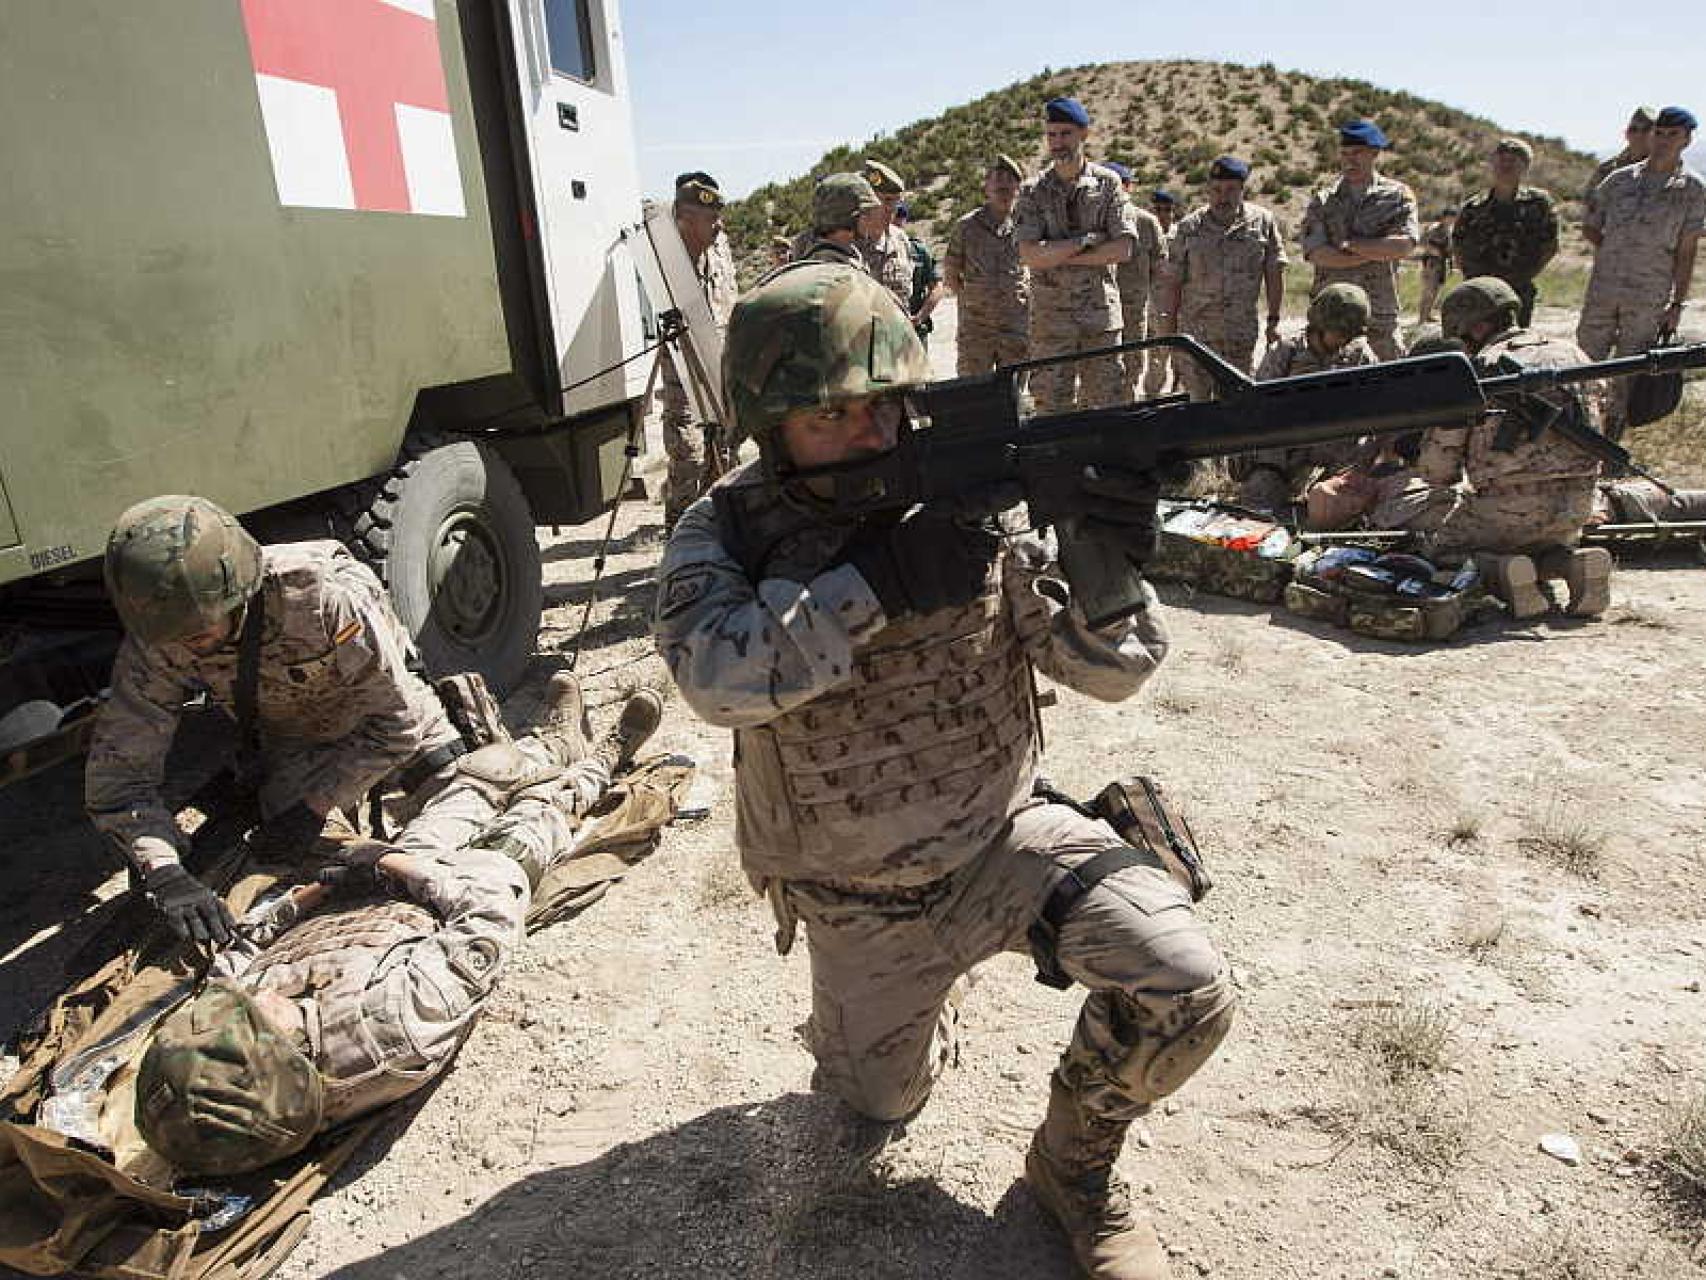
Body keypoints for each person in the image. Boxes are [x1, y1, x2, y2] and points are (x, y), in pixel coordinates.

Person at [652, 261, 1234, 1280]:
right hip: (854, 894)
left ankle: (1071, 1172)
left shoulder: (969, 501)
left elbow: (1108, 674)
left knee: (1187, 984)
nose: (866, 432)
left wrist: (1104, 556)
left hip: (1002, 843)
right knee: (875, 1109)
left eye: (883, 406)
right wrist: (871, 580)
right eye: (830, 416)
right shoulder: (727, 527)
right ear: (769, 421)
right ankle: (914, 1010)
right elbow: (715, 678)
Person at [130, 675, 664, 1176]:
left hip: (371, 892)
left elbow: (238, 954)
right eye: (254, 1015)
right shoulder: (389, 1028)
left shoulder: (235, 1042)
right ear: (284, 1060)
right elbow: (488, 916)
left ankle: (554, 743)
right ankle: (603, 758)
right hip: (454, 895)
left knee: (475, 782)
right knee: (539, 809)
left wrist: (319, 890)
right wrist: (388, 864)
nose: (255, 998)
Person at [87, 496, 465, 947]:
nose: (185, 647)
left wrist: (317, 805)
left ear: (237, 593)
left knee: (470, 796)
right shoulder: (159, 636)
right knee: (302, 869)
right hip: (297, 742)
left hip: (385, 723)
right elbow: (119, 782)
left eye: (200, 632)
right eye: (174, 637)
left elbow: (396, 724)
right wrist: (165, 873)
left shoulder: (322, 596)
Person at [1436, 278, 1611, 618]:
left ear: (1480, 326)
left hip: (1504, 512)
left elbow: (1438, 470)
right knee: (1544, 542)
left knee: (1440, 550)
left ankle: (1501, 574)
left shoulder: (1479, 368)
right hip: (1576, 506)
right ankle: (1572, 564)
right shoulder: (1573, 352)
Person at [1577, 106, 1704, 440]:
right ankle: (1576, 436)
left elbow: (1687, 251)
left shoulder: (1692, 190)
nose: (1662, 141)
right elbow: (1591, 226)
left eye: (1672, 135)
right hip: (1604, 290)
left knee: (1627, 374)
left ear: (1687, 140)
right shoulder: (1619, 181)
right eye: (1658, 133)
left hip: (1649, 295)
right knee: (1583, 366)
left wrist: (1677, 304)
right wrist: (1616, 251)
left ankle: (1609, 446)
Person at [1014, 98, 1138, 413]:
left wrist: (1059, 255)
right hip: (1050, 321)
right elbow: (1030, 255)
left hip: (1099, 318)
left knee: (1106, 405)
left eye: (1065, 134)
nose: (1058, 143)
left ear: (1084, 134)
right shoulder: (1032, 191)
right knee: (1051, 408)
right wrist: (1083, 243)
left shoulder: (1108, 184)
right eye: (1051, 135)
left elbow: (1122, 249)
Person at [1236, 283, 1378, 512]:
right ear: (1320, 325)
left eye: (1350, 335)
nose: (1344, 340)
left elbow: (1375, 406)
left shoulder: (1360, 356)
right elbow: (1258, 404)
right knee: (1259, 507)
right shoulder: (1287, 351)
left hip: (1335, 451)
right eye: (1340, 333)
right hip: (1283, 451)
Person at [1158, 156, 1287, 402]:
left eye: (1230, 190)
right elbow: (1173, 282)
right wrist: (1170, 330)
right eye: (1216, 190)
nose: (1222, 197)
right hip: (1197, 337)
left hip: (1239, 335)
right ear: (1208, 190)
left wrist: (1274, 320)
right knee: (1198, 405)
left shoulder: (1263, 224)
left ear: (1242, 190)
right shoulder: (1189, 228)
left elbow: (1274, 273)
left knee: (1237, 404)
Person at [660, 172, 741, 531]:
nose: (719, 226)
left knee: (722, 458)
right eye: (710, 218)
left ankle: (717, 542)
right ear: (684, 220)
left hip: (719, 371)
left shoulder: (718, 252)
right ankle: (678, 543)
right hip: (683, 377)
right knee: (688, 461)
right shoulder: (666, 259)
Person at [1300, 119, 1420, 360]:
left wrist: (1349, 246)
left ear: (1375, 153)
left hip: (1379, 317)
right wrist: (1374, 251)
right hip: (1329, 319)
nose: (1349, 160)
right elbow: (1316, 253)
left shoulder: (1397, 196)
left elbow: (1403, 245)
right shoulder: (1323, 200)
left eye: (1357, 153)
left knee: (1386, 391)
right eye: (1344, 153)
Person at [1451, 139, 1559, 327]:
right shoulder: (1474, 207)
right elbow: (1458, 246)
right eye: (1501, 160)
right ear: (1492, 164)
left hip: (1519, 290)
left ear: (1525, 167)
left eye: (1513, 161)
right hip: (1478, 291)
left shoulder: (1539, 203)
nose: (1506, 165)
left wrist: (1524, 274)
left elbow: (1550, 245)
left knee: (1516, 344)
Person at [944, 154, 1031, 377]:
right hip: (976, 331)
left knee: (1013, 396)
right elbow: (951, 273)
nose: (1003, 191)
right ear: (986, 188)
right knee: (974, 394)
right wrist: (973, 301)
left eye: (1009, 185)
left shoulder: (1028, 225)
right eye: (997, 183)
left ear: (1018, 189)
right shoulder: (967, 227)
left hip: (1016, 329)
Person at [1106, 162, 1168, 402]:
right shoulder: (1092, 220)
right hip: (1097, 310)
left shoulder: (1146, 223)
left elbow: (1160, 267)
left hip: (1133, 309)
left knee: (1131, 368)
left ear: (1129, 187)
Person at [856, 159, 919, 313]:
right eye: (886, 200)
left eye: (896, 202)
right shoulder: (848, 242)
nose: (892, 210)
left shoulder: (900, 240)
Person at [789, 173, 885, 269]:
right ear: (847, 219)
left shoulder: (843, 257)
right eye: (866, 214)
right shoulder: (832, 268)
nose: (870, 221)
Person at [1144, 190, 1181, 397]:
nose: (1162, 215)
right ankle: (1152, 396)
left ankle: (1178, 393)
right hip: (1150, 304)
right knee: (1156, 359)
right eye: (1158, 210)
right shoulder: (1145, 234)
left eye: (1167, 210)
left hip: (1176, 305)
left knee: (1181, 356)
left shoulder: (1180, 236)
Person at [893, 200, 944, 345]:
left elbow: (937, 287)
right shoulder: (870, 249)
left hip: (914, 330)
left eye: (901, 214)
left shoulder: (918, 251)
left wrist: (920, 316)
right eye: (894, 214)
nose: (897, 219)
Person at [1585, 106, 1657, 201]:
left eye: (1646, 130)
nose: (1639, 135)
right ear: (1626, 134)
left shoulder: (1667, 168)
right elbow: (1589, 205)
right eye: (1633, 129)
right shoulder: (1607, 169)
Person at [1415, 207, 1456, 324]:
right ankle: (1422, 319)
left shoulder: (1448, 230)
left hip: (1442, 263)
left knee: (1436, 291)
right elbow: (1426, 244)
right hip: (1432, 263)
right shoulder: (1434, 229)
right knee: (1428, 291)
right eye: (1450, 217)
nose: (1451, 220)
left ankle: (1428, 314)